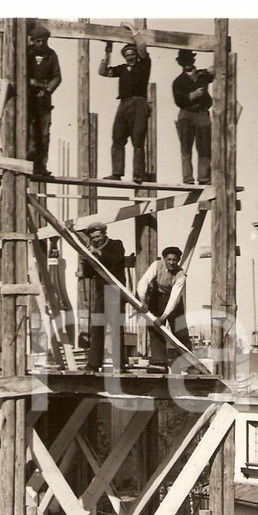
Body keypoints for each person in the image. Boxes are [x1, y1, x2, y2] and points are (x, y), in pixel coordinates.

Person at [99, 24, 151, 184]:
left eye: (132, 54)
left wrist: (132, 28)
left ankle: (138, 174)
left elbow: (142, 47)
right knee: (117, 137)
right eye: (127, 55)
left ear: (136, 55)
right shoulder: (122, 69)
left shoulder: (144, 65)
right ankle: (116, 172)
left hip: (139, 103)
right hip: (123, 104)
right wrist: (108, 52)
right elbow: (103, 71)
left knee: (138, 140)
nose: (130, 57)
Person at [136, 246, 193, 372]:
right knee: (155, 328)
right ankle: (159, 362)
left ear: (178, 260)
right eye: (169, 259)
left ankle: (187, 364)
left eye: (174, 260)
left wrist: (164, 316)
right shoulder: (156, 265)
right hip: (156, 297)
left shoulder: (181, 275)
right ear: (164, 259)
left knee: (180, 331)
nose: (171, 262)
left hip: (173, 300)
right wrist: (143, 300)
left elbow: (174, 298)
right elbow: (143, 282)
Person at [79, 222, 127, 372]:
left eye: (98, 236)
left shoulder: (116, 245)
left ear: (104, 234)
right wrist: (85, 260)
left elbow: (116, 261)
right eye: (93, 238)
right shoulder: (92, 250)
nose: (96, 240)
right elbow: (89, 274)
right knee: (97, 328)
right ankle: (93, 364)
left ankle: (119, 365)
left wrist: (98, 253)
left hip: (116, 292)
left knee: (116, 328)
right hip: (101, 293)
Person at [172, 49, 214, 185]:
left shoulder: (203, 75)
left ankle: (204, 178)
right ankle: (188, 178)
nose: (187, 62)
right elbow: (179, 101)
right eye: (184, 60)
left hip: (202, 113)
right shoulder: (178, 81)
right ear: (180, 63)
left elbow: (217, 69)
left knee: (205, 147)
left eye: (189, 59)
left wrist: (212, 69)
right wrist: (193, 95)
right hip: (186, 114)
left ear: (193, 60)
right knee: (186, 148)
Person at [26, 24, 61, 177]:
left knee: (44, 134)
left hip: (44, 100)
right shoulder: (26, 54)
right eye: (38, 41)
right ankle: (27, 163)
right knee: (29, 131)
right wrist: (29, 82)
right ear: (32, 41)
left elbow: (57, 77)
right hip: (27, 100)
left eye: (44, 41)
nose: (41, 44)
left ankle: (41, 166)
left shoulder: (51, 55)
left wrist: (47, 90)